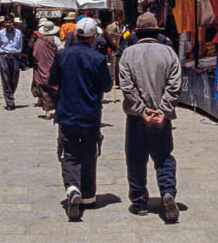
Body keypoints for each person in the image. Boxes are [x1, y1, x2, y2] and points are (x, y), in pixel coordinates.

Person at [118, 12, 182, 222]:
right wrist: (162, 111)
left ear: (137, 33)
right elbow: (175, 85)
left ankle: (139, 203)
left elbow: (126, 86)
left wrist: (142, 110)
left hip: (137, 118)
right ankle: (167, 192)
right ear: (156, 33)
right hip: (162, 120)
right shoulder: (169, 53)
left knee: (136, 159)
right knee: (163, 157)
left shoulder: (128, 54)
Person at [48, 17, 113, 220]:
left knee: (69, 153)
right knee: (88, 153)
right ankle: (88, 196)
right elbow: (107, 86)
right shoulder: (98, 58)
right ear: (94, 37)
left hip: (67, 113)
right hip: (90, 114)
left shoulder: (62, 56)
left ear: (76, 34)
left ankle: (72, 188)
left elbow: (53, 80)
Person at [32, 21, 60, 120]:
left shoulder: (39, 41)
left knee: (44, 90)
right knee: (56, 89)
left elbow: (35, 55)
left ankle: (47, 112)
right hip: (54, 67)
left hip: (42, 67)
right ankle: (57, 110)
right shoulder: (55, 39)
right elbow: (61, 51)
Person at [0, 16, 23, 110]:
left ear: (13, 23)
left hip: (15, 57)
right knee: (6, 79)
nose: (7, 24)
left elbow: (20, 45)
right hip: (4, 56)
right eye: (6, 22)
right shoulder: (0, 33)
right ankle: (10, 102)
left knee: (14, 79)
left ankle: (10, 94)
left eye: (9, 22)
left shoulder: (18, 33)